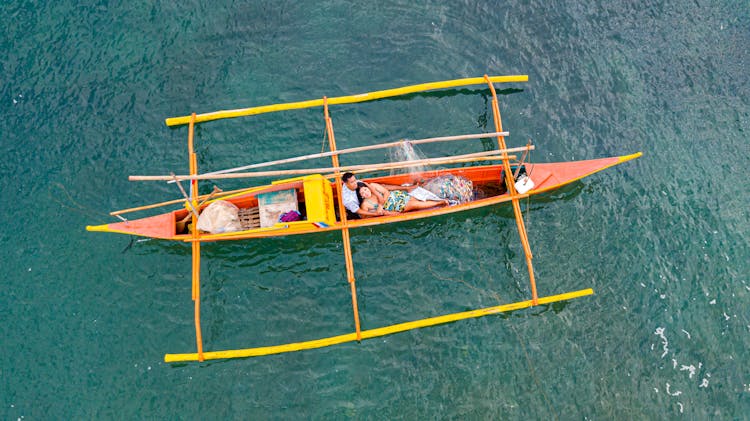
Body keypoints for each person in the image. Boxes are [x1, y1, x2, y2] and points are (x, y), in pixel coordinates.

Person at [341, 172, 416, 219]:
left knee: (381, 186)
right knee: (382, 212)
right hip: (361, 209)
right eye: (352, 182)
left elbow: (367, 186)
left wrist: (369, 186)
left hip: (365, 197)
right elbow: (359, 211)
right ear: (346, 183)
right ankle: (401, 214)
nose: (355, 183)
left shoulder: (354, 183)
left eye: (355, 180)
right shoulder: (349, 200)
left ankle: (406, 188)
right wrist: (376, 213)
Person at [356, 182, 449, 218]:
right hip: (394, 206)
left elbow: (386, 192)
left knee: (418, 199)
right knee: (415, 205)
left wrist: (380, 204)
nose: (365, 193)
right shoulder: (365, 204)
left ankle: (437, 199)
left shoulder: (373, 186)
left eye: (365, 189)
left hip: (396, 195)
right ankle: (440, 203)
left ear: (366, 187)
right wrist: (380, 212)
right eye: (362, 194)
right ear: (362, 197)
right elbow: (366, 217)